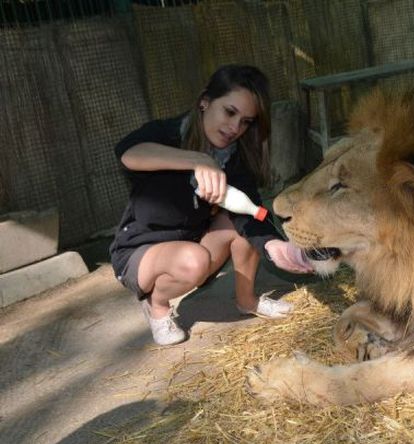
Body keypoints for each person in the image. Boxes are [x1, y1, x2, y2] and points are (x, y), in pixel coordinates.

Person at [109, 64, 313, 346]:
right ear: (205, 102)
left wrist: (273, 246)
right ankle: (156, 305)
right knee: (195, 260)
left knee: (243, 229)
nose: (235, 128)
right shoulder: (168, 133)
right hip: (139, 253)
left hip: (193, 243)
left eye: (245, 122)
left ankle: (247, 300)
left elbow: (255, 212)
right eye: (230, 112)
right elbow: (128, 153)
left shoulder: (234, 160)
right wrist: (199, 160)